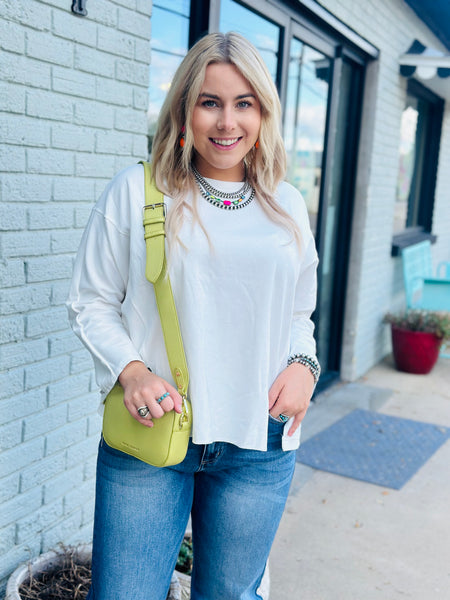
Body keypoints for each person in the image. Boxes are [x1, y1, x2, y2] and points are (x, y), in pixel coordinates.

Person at [67, 31, 320, 600]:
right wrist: (131, 370)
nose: (227, 122)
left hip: (261, 441)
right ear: (184, 109)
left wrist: (305, 365)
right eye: (210, 102)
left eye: (243, 103)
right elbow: (90, 301)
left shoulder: (287, 204)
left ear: (263, 112)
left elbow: (299, 310)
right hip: (154, 436)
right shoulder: (138, 192)